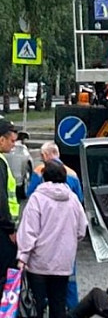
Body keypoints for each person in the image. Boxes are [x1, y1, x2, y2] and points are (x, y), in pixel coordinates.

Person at [16, 161, 87, 318]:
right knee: (58, 303)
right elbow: (82, 230)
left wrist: (23, 256)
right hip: (63, 263)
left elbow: (29, 231)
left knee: (37, 305)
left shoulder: (37, 199)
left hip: (38, 262)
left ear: (44, 177)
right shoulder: (73, 200)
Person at [26, 141, 83, 310]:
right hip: (67, 241)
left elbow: (30, 198)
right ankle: (72, 309)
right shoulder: (72, 173)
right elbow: (80, 204)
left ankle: (41, 307)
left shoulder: (39, 172)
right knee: (68, 278)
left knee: (40, 286)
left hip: (44, 242)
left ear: (45, 156)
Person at [0, 118, 20, 283]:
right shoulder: (0, 163)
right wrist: (10, 229)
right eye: (12, 141)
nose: (14, 145)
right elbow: (1, 200)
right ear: (1, 140)